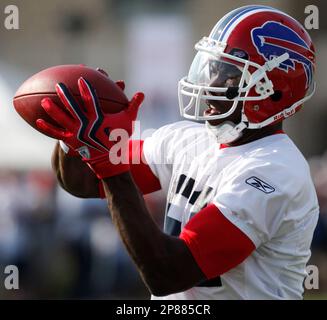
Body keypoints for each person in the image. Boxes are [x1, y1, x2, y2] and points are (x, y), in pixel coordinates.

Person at [37, 5, 319, 299]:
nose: (211, 83)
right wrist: (79, 135)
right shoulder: (189, 140)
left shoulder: (275, 172)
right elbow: (83, 181)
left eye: (229, 74)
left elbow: (167, 273)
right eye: (213, 68)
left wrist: (111, 167)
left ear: (272, 91)